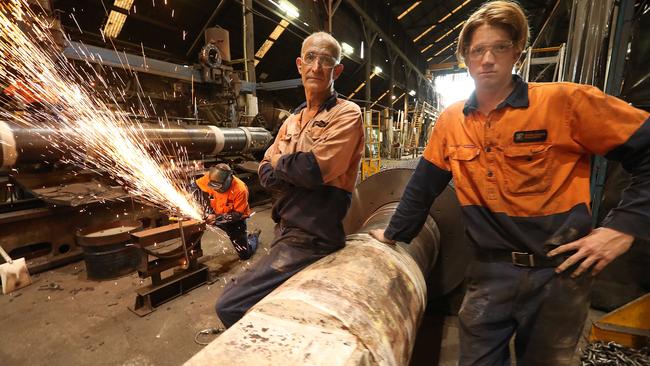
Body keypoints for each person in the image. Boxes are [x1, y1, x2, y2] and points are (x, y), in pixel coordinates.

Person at [370, 1, 650, 365]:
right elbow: (423, 187)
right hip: (489, 273)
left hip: (560, 275)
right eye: (477, 50)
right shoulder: (452, 121)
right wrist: (391, 234)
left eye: (499, 47)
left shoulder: (564, 103)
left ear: (517, 51)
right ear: (465, 58)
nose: (487, 59)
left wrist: (623, 228)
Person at [215, 31, 364, 328]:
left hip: (312, 237)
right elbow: (264, 173)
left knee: (229, 304)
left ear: (337, 70)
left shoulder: (347, 114)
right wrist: (286, 167)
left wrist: (281, 164)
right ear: (299, 65)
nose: (316, 67)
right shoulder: (291, 121)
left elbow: (312, 171)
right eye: (310, 58)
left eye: (326, 61)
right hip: (285, 231)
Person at [192, 164, 259, 260]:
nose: (215, 189)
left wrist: (215, 217)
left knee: (245, 255)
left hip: (234, 221)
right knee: (193, 226)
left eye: (218, 186)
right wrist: (199, 206)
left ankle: (254, 236)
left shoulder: (240, 189)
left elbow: (237, 214)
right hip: (213, 214)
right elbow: (193, 186)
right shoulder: (210, 178)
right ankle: (193, 251)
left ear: (229, 179)